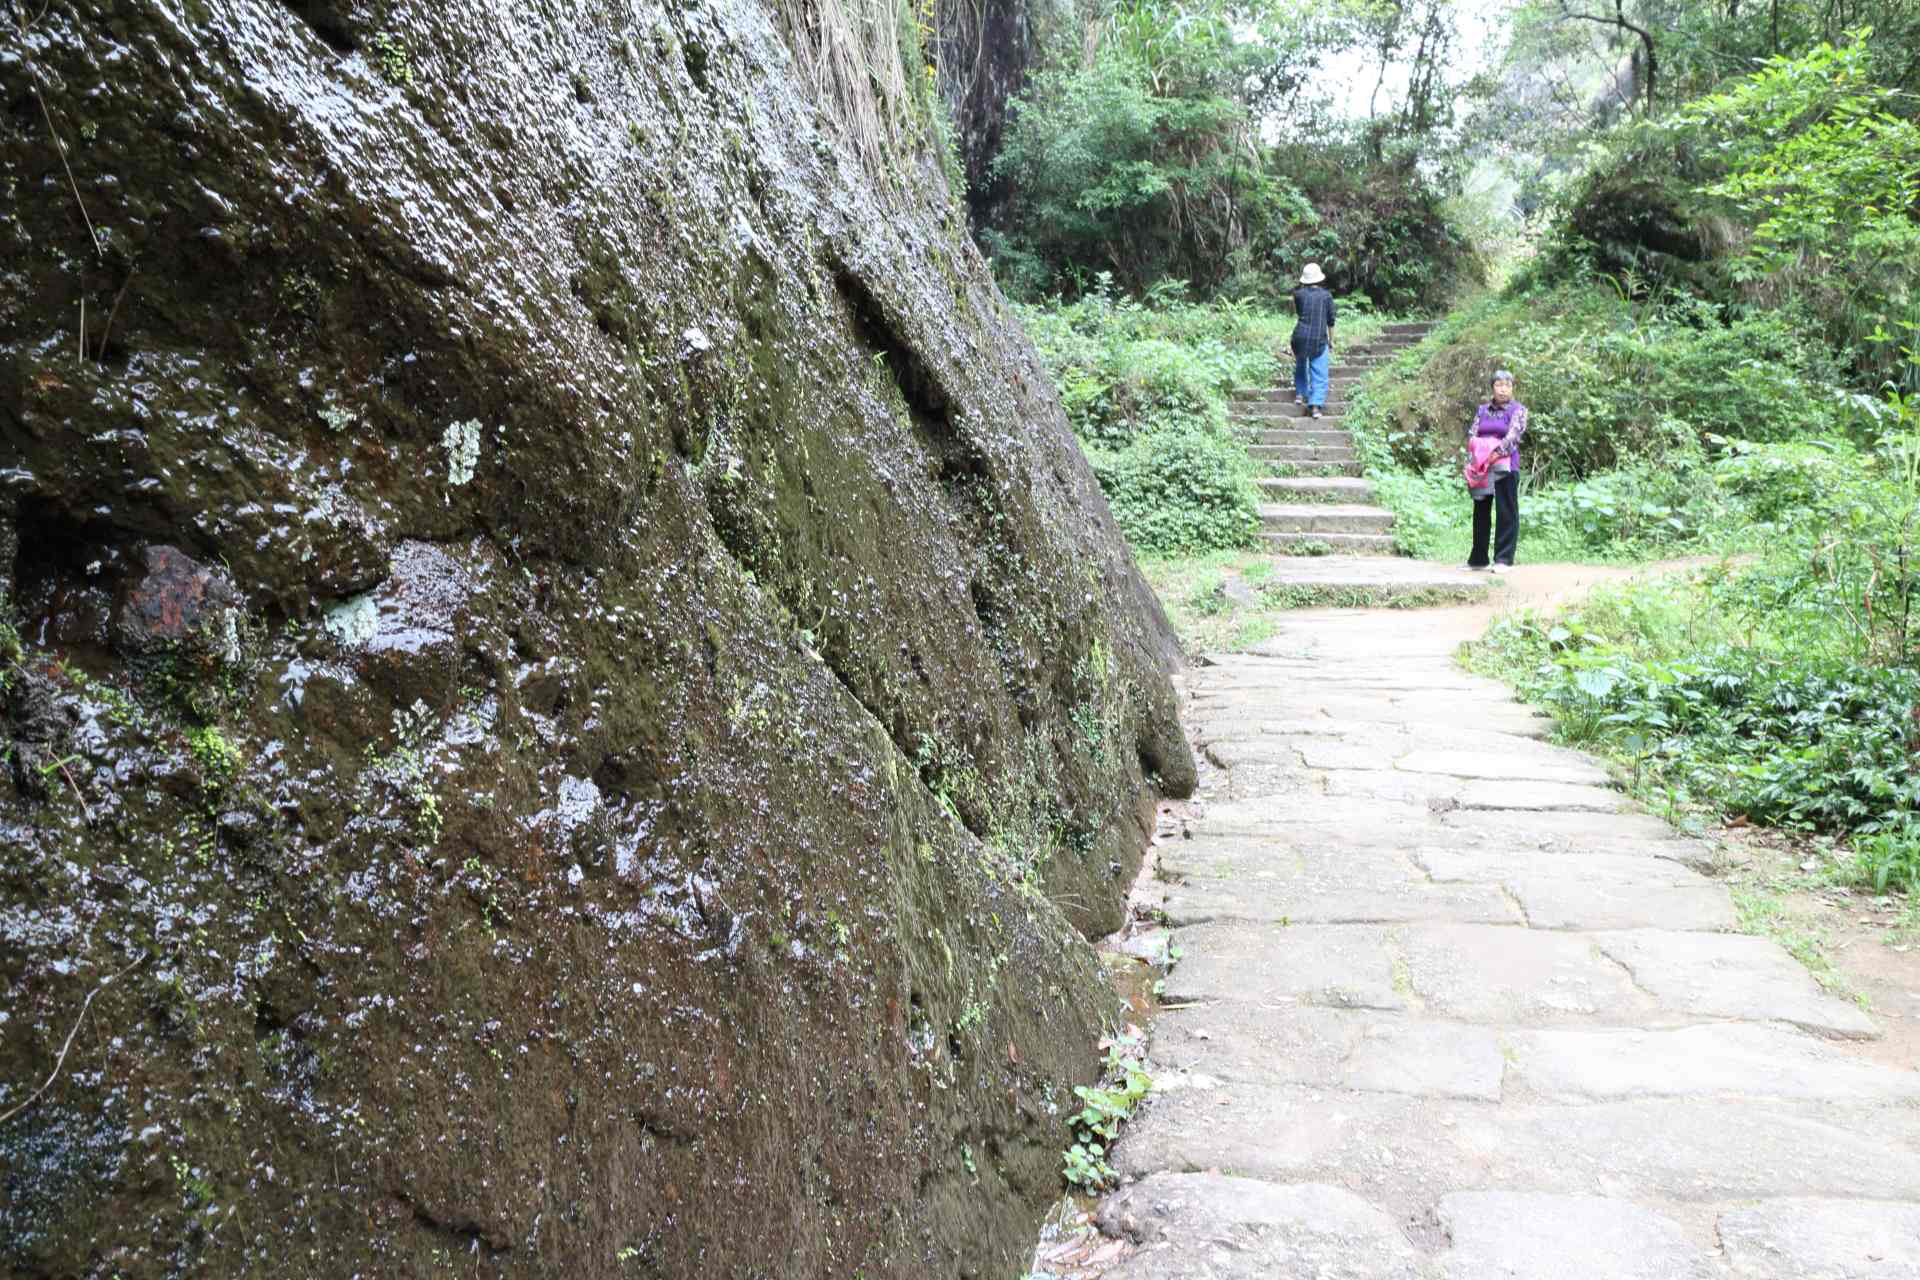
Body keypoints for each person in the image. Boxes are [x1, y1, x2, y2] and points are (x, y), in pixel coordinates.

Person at [1468, 369, 1527, 574]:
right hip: (1482, 466)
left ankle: (1503, 559)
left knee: (1506, 512)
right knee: (1481, 511)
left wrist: (1495, 453)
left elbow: (1514, 436)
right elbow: (1472, 434)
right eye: (1499, 385)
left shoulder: (1518, 410)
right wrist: (1476, 459)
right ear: (1492, 388)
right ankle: (1478, 559)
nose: (1503, 389)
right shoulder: (1482, 410)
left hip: (1506, 466)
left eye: (1507, 385)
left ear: (1512, 388)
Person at [1290, 264, 1336, 418]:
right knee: (1319, 372)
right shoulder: (1326, 296)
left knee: (1301, 365)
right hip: (1318, 337)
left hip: (1299, 336)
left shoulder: (1298, 295)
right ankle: (1315, 407)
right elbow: (1330, 321)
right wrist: (1331, 340)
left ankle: (1300, 395)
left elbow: (1300, 313)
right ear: (1319, 278)